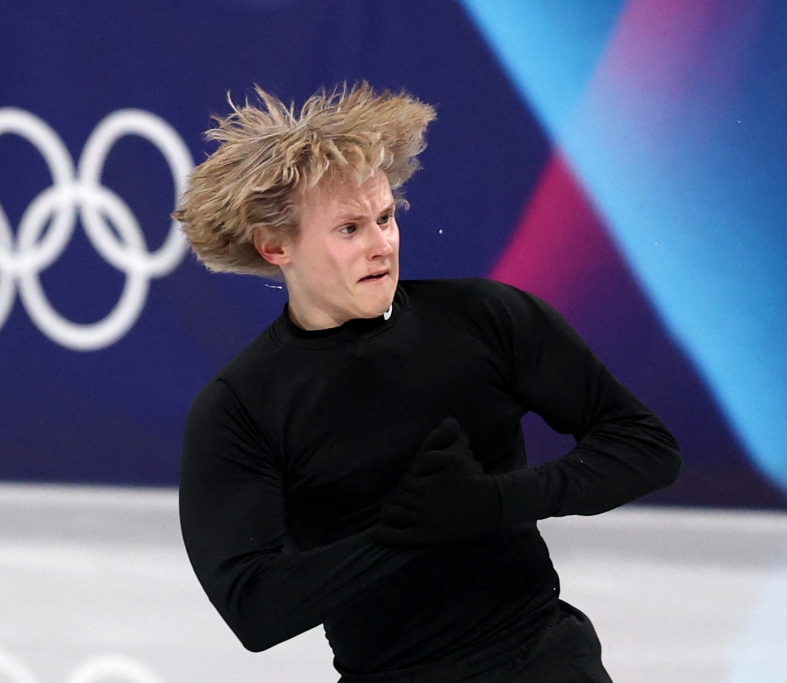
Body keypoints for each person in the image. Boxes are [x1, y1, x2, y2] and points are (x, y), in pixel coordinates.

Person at [174, 83, 681, 682]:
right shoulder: (241, 407)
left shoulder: (484, 318)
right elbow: (253, 608)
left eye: (385, 218)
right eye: (349, 229)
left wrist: (498, 501)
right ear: (275, 245)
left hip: (544, 659)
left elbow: (646, 448)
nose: (380, 245)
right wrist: (403, 537)